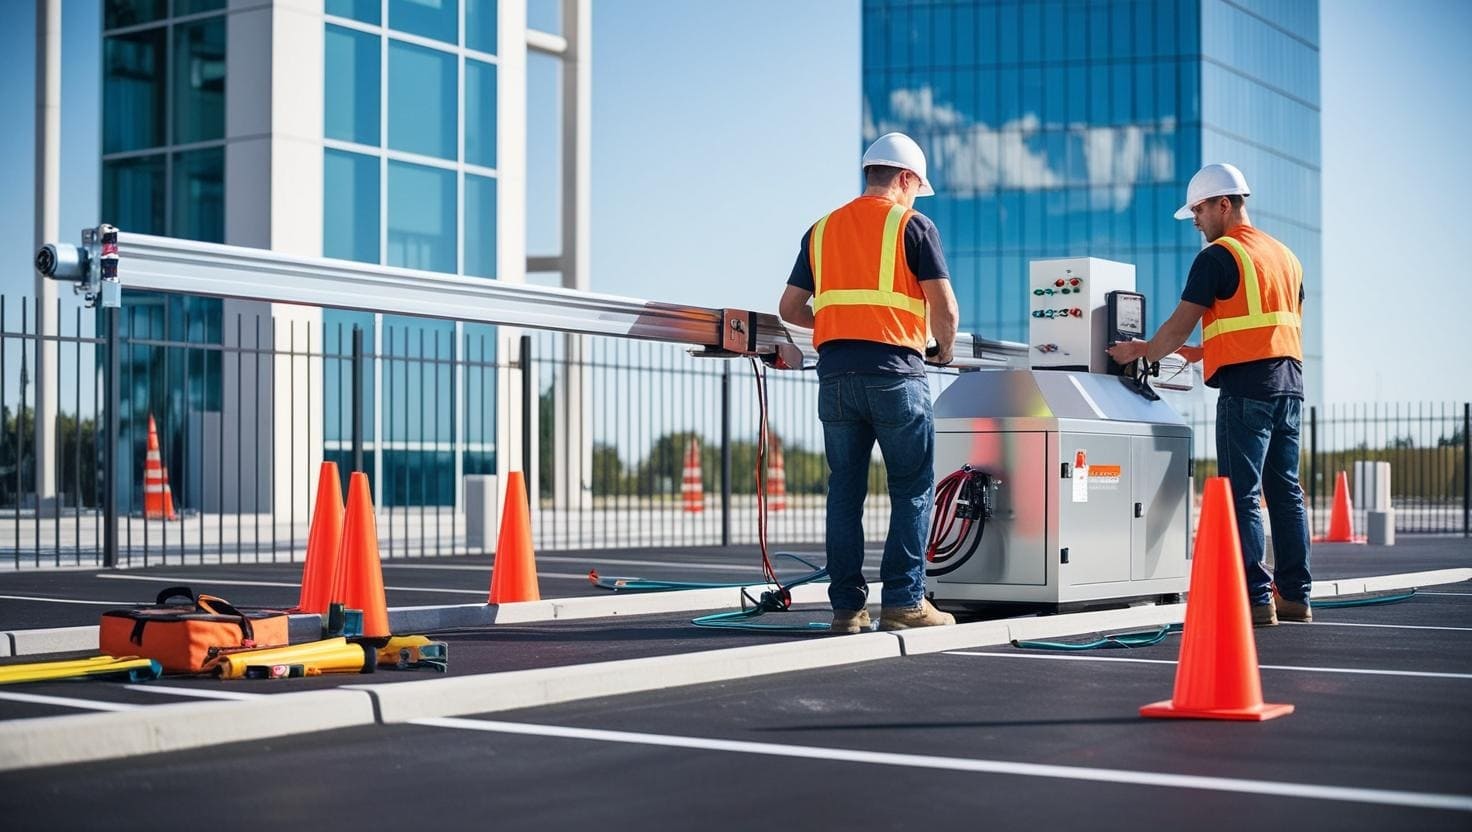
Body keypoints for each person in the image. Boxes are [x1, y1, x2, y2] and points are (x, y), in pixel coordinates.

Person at [1107, 163, 1311, 627]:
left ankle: (1256, 598)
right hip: (1290, 386)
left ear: (1224, 204)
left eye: (1198, 209)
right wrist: (1205, 350)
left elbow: (1180, 321)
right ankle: (1295, 596)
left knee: (1242, 494)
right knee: (1286, 493)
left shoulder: (1220, 256)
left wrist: (1144, 350)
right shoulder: (1286, 256)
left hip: (1246, 390)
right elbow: (1263, 325)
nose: (1195, 219)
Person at [778, 132, 960, 634]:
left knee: (845, 492)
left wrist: (837, 323)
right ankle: (904, 602)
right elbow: (944, 308)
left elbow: (790, 308)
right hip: (896, 374)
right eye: (916, 187)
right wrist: (942, 349)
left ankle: (846, 609)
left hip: (835, 375)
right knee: (912, 487)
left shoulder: (821, 230)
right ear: (905, 179)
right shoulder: (913, 224)